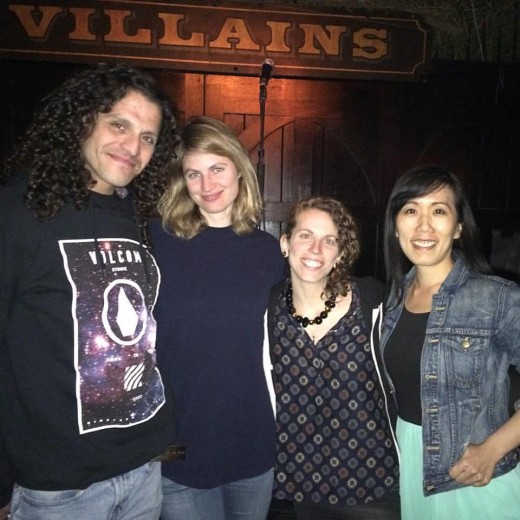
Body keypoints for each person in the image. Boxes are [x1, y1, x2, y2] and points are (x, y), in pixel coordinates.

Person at [0, 62, 180, 520]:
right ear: (81, 122)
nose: (132, 146)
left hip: (142, 470)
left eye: (147, 137)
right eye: (119, 124)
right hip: (59, 487)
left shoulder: (137, 215)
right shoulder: (19, 210)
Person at [149, 116, 286, 520]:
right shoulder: (156, 240)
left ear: (238, 170)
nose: (207, 185)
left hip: (254, 441)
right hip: (179, 446)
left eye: (216, 169)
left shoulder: (267, 252)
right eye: (194, 173)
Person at [381, 164, 520, 520]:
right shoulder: (391, 303)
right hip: (411, 467)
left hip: (475, 475)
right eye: (411, 210)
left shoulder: (496, 297)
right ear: (395, 227)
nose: (424, 225)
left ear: (458, 227)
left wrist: (492, 450)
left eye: (438, 211)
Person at [267, 197, 400, 520]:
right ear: (285, 243)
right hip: (301, 482)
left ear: (340, 254)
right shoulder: (267, 310)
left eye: (330, 241)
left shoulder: (374, 302)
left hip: (373, 483)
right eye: (305, 236)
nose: (315, 250)